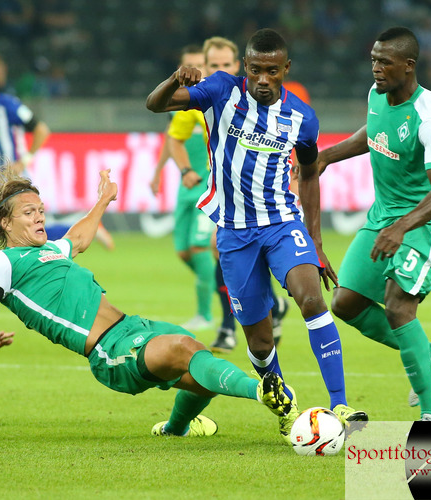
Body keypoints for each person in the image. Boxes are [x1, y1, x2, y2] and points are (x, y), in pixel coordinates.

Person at [147, 28, 367, 435]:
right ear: (244, 67)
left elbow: (311, 170)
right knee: (261, 343)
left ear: (285, 69)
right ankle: (282, 402)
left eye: (271, 71)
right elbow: (154, 104)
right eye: (254, 71)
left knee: (311, 299)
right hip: (233, 232)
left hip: (282, 223)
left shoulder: (303, 117)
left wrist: (315, 239)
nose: (262, 80)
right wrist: (175, 79)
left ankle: (341, 405)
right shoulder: (219, 91)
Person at [0, 167, 293, 437]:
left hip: (132, 327)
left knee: (200, 366)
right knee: (183, 349)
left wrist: (104, 199)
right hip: (109, 352)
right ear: (6, 223)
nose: (39, 218)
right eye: (28, 213)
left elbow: (77, 238)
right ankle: (266, 391)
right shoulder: (2, 262)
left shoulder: (48, 250)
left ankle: (174, 429)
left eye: (41, 211)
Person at [316, 27, 431, 421]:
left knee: (397, 305)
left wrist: (401, 227)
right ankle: (426, 353)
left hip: (425, 221)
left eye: (384, 62)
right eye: (373, 60)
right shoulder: (378, 96)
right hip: (382, 215)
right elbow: (374, 134)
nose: (375, 68)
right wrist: (328, 156)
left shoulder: (430, 115)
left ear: (408, 66)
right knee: (345, 302)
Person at [0, 58, 112, 305]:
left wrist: (26, 158)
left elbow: (41, 129)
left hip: (18, 180)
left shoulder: (8, 105)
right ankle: (83, 227)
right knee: (7, 230)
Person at [199, 36, 289, 354]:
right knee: (209, 252)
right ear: (204, 66)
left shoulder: (258, 96)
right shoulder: (202, 97)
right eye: (213, 65)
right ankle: (264, 309)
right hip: (223, 190)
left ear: (238, 66)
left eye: (226, 65)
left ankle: (233, 323)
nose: (220, 70)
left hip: (264, 197)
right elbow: (175, 137)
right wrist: (184, 169)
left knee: (220, 250)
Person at [150, 44, 217, 331]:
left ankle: (206, 314)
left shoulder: (211, 99)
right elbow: (172, 138)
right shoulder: (176, 101)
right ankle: (226, 290)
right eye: (186, 66)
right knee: (183, 251)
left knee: (200, 247)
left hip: (207, 182)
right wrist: (159, 171)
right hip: (185, 182)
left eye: (197, 64)